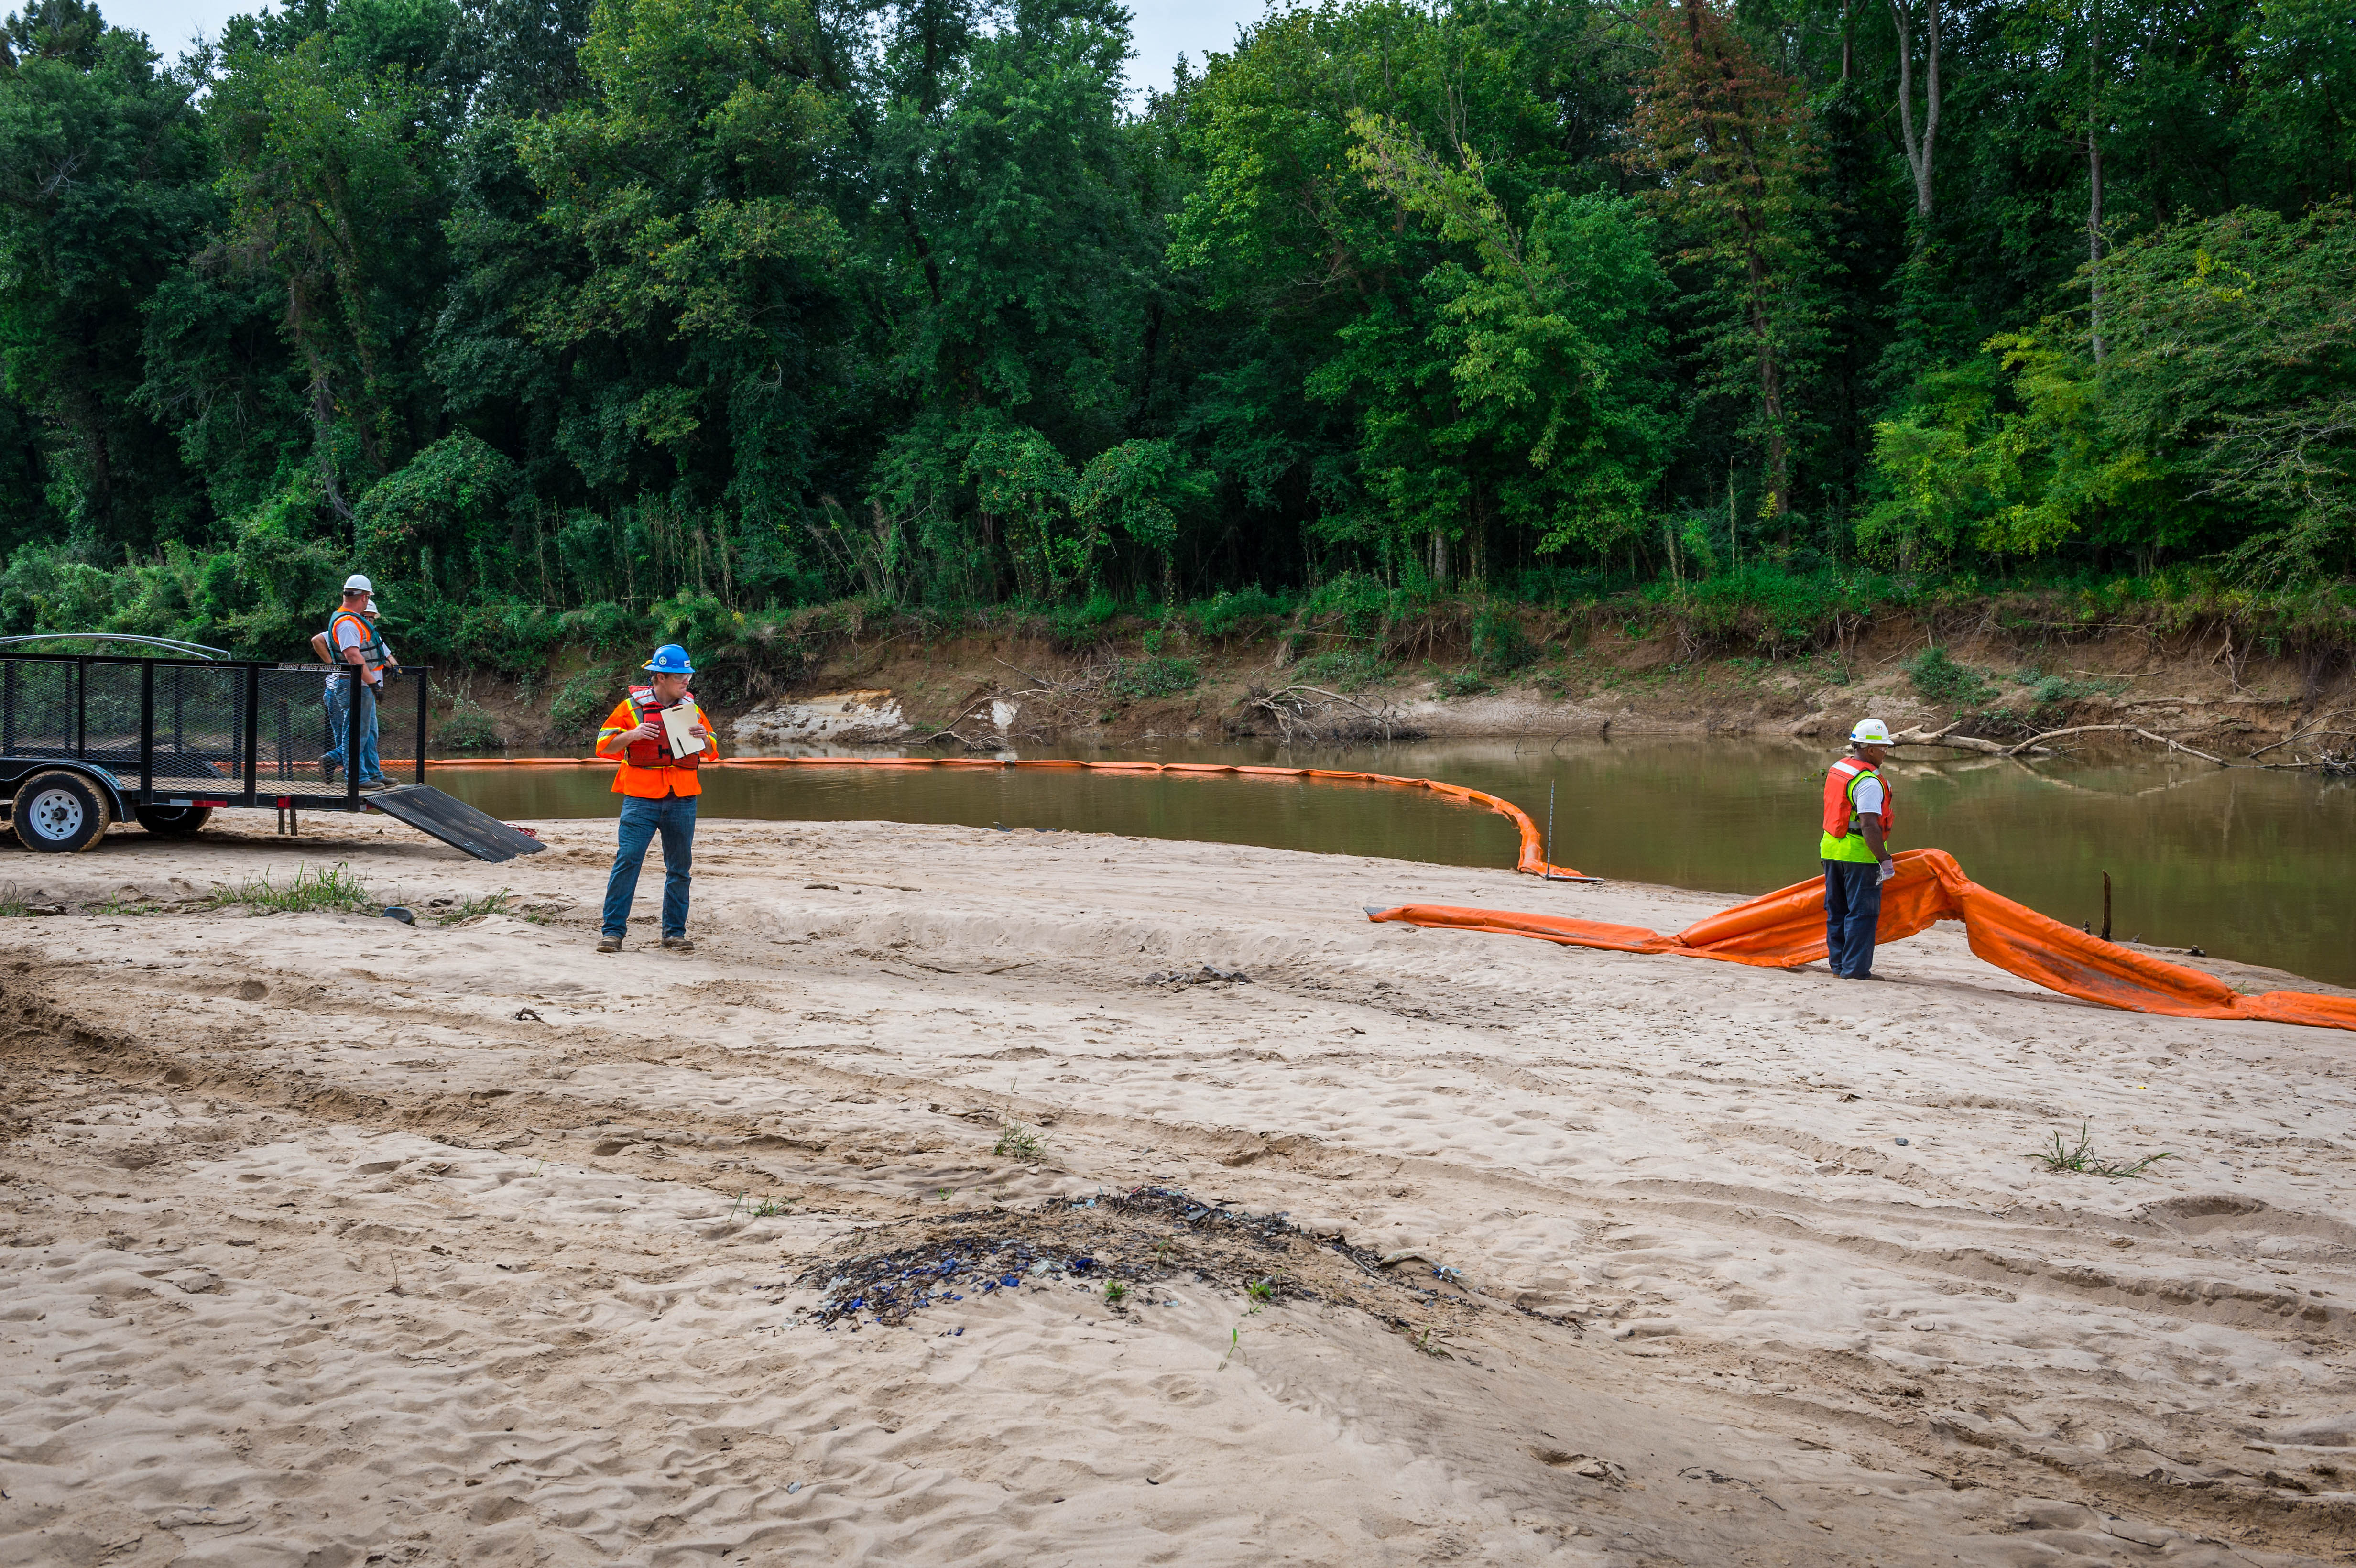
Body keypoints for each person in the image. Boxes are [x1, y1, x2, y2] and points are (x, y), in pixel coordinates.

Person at [595, 644, 715, 954]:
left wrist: (704, 737)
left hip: (683, 799)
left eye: (688, 675)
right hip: (640, 799)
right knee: (627, 861)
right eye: (680, 676)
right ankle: (612, 934)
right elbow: (604, 746)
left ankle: (674, 934)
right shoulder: (630, 709)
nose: (687, 681)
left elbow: (713, 749)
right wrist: (632, 735)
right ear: (660, 677)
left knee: (680, 869)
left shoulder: (692, 708)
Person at [1821, 718, 1897, 980]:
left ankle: (1839, 966)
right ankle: (1855, 971)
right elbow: (1869, 826)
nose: (1886, 753)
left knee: (1837, 911)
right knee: (1863, 914)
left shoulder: (1840, 769)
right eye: (1884, 749)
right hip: (1859, 856)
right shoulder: (1869, 783)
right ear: (1871, 750)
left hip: (1831, 850)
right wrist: (1884, 860)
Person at [315, 575, 394, 787]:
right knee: (356, 733)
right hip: (355, 686)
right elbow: (353, 657)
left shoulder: (354, 622)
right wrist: (372, 683)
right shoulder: (348, 623)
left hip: (359, 685)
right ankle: (357, 778)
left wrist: (392, 668)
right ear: (364, 597)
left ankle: (373, 774)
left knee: (368, 733)